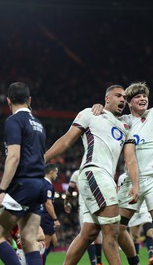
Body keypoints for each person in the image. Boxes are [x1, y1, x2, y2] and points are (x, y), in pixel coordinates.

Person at [93, 51, 153, 265]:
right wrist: (98, 107)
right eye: (137, 97)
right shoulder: (121, 122)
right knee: (116, 229)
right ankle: (134, 261)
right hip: (130, 181)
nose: (143, 98)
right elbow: (103, 115)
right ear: (129, 103)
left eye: (144, 96)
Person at [45, 84, 140, 265]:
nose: (122, 99)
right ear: (107, 99)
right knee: (112, 232)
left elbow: (131, 159)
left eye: (124, 97)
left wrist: (136, 184)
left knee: (88, 234)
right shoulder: (91, 114)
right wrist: (42, 158)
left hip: (106, 180)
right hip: (93, 173)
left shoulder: (126, 126)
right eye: (118, 95)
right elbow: (66, 140)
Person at [0, 82, 48, 265]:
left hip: (23, 185)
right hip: (40, 185)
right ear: (29, 100)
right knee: (29, 240)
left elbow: (13, 157)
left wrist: (2, 190)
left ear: (8, 101)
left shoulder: (13, 121)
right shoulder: (39, 124)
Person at [64, 169, 103, 265]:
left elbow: (69, 191)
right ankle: (99, 262)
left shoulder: (77, 173)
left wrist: (66, 203)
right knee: (98, 234)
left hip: (85, 208)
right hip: (98, 205)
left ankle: (94, 263)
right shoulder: (98, 170)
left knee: (87, 235)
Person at [118, 172, 153, 265]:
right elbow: (119, 191)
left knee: (149, 231)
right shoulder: (122, 177)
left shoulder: (144, 172)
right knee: (135, 238)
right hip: (131, 206)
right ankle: (136, 260)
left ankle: (151, 257)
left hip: (144, 207)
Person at [38, 163, 60, 265]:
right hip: (46, 217)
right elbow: (48, 203)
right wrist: (55, 219)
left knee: (54, 241)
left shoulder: (41, 183)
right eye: (56, 173)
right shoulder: (47, 185)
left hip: (41, 216)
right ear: (51, 172)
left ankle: (39, 258)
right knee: (45, 245)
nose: (57, 175)